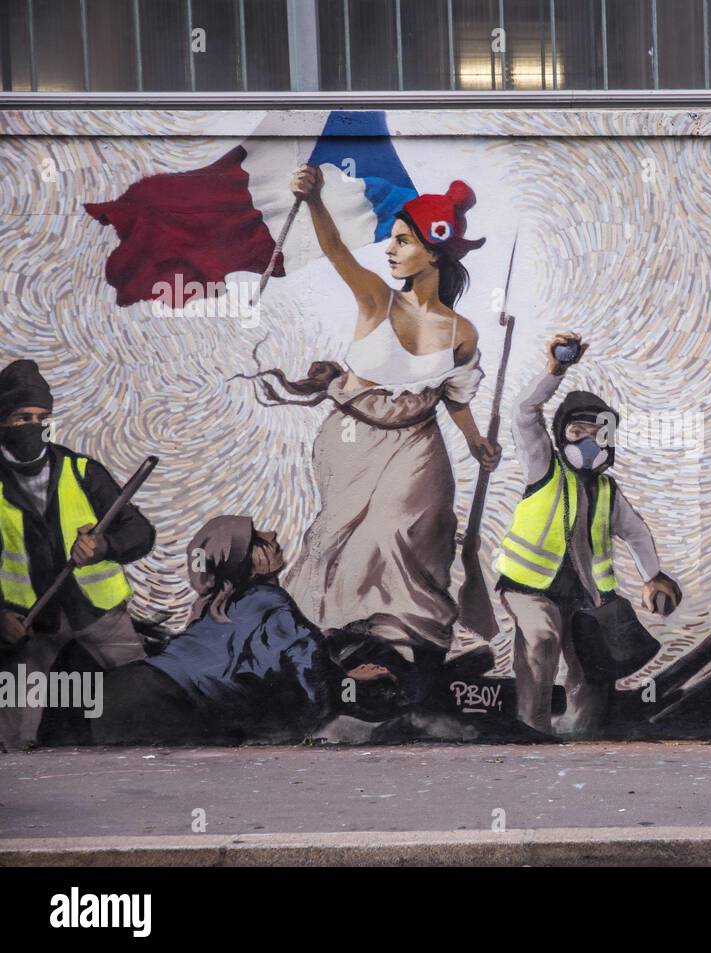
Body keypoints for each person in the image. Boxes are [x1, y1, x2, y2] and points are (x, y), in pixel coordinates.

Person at [247, 168, 501, 693]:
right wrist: (314, 199)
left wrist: (476, 441)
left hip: (418, 441)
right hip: (354, 439)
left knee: (404, 536)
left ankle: (413, 647)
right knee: (341, 539)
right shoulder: (375, 299)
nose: (390, 248)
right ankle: (347, 643)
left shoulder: (461, 330)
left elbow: (456, 395)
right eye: (392, 237)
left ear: (434, 253)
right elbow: (337, 248)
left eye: (403, 240)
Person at [496, 333, 682, 736]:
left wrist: (653, 576)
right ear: (562, 435)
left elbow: (635, 533)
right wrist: (556, 369)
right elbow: (524, 412)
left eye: (597, 434)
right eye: (577, 432)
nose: (588, 442)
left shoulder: (608, 491)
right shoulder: (543, 467)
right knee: (541, 640)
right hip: (529, 585)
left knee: (593, 667)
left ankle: (581, 733)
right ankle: (533, 728)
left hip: (586, 595)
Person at [0, 359, 156, 748]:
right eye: (23, 417)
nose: (35, 426)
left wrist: (104, 546)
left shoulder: (82, 470)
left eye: (43, 416)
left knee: (145, 699)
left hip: (101, 614)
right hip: (31, 625)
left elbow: (140, 532)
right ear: (2, 421)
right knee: (13, 735)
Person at [93, 515, 338, 743]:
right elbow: (309, 664)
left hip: (124, 689)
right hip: (166, 702)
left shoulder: (212, 608)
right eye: (256, 538)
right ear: (245, 561)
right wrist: (318, 719)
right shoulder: (269, 601)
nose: (272, 534)